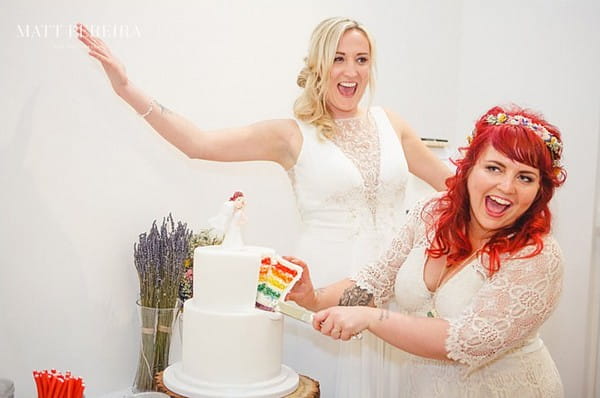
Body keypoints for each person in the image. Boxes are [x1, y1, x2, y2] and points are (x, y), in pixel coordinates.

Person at [76, 17, 452, 397]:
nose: (351, 72)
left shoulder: (392, 124)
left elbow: (454, 187)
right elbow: (199, 144)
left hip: (395, 288)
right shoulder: (290, 135)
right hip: (321, 286)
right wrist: (126, 88)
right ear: (319, 64)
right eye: (338, 58)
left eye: (362, 59)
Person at [287, 104, 567, 397]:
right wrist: (313, 297)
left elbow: (465, 340)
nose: (507, 186)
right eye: (494, 168)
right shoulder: (432, 213)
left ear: (540, 191)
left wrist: (371, 318)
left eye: (525, 177)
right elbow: (375, 280)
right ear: (469, 168)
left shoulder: (538, 256)